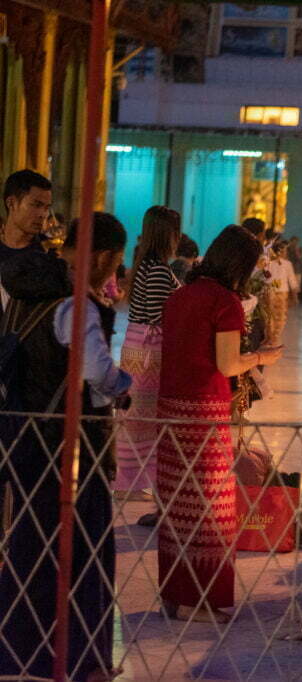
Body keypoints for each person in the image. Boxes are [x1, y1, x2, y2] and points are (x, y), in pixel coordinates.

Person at [0, 212, 132, 681]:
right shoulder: (76, 305)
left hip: (28, 439)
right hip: (74, 447)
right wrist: (125, 383)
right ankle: (86, 660)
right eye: (115, 263)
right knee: (86, 551)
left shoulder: (26, 295)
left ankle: (22, 652)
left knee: (32, 548)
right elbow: (97, 373)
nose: (114, 273)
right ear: (100, 256)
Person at [157, 225, 283, 623]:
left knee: (178, 504)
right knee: (211, 508)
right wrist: (262, 357)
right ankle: (198, 601)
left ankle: (176, 594)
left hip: (169, 411)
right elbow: (228, 364)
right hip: (204, 413)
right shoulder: (225, 301)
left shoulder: (179, 296)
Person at [115, 206, 182, 523]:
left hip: (135, 348)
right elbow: (159, 316)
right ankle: (143, 482)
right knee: (150, 422)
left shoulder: (143, 266)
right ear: (168, 235)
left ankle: (134, 479)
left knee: (136, 419)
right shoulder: (157, 270)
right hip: (149, 352)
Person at [0, 170, 51, 313]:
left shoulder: (47, 254)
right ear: (11, 203)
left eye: (46, 208)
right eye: (36, 205)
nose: (42, 214)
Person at [266, 240, 299, 347]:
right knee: (279, 317)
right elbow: (292, 281)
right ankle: (274, 339)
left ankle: (270, 338)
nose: (286, 252)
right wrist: (295, 296)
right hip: (280, 293)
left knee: (270, 316)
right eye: (285, 250)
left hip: (270, 292)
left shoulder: (268, 263)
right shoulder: (286, 264)